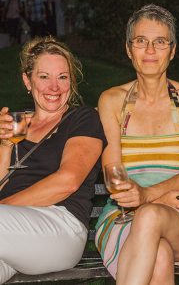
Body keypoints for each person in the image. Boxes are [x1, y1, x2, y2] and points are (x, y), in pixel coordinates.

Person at [94, 4, 179, 285]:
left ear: (172, 50)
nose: (149, 50)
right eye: (141, 41)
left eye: (160, 42)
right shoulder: (111, 101)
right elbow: (114, 175)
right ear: (128, 48)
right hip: (121, 217)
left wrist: (149, 197)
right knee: (158, 254)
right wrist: (148, 200)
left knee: (149, 215)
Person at [0, 36, 106, 284]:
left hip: (60, 227)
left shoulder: (82, 118)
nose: (54, 87)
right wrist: (4, 145)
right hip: (9, 234)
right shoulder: (16, 124)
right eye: (44, 76)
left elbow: (67, 182)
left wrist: (4, 206)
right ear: (28, 80)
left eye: (62, 77)